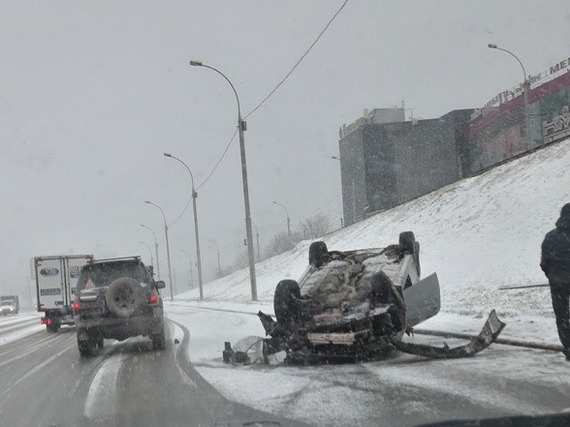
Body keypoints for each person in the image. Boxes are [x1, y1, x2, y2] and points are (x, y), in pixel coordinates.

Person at [540, 203, 570, 361]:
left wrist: (553, 276)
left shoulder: (551, 237)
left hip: (558, 284)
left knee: (563, 317)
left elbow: (544, 262)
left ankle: (569, 347)